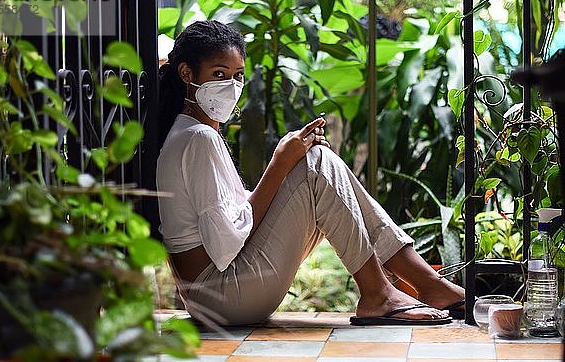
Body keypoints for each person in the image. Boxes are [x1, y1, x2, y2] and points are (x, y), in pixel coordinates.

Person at [156, 20, 465, 326]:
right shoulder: (198, 137)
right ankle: (386, 292)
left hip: (215, 297)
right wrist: (280, 164)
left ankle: (422, 283)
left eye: (238, 76)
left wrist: (288, 162)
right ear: (187, 73)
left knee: (318, 162)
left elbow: (232, 222)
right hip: (222, 297)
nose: (232, 87)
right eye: (219, 74)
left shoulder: (190, 132)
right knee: (316, 164)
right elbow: (227, 245)